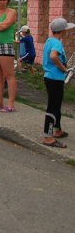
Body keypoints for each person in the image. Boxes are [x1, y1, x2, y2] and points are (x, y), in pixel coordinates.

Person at [41, 18, 74, 148]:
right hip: (55, 78)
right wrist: (63, 68)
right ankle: (48, 137)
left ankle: (58, 129)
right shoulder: (57, 43)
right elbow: (53, 56)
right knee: (53, 107)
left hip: (49, 77)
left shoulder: (49, 41)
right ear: (63, 31)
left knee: (56, 104)